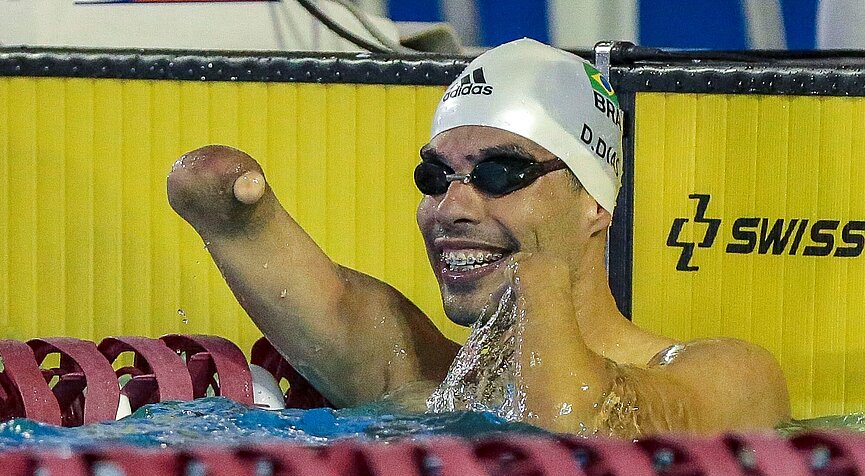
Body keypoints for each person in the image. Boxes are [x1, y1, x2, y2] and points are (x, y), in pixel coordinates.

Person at [166, 39, 790, 437]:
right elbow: (320, 296)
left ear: (594, 204)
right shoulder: (425, 383)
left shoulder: (730, 379)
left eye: (502, 173)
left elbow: (573, 426)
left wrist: (538, 264)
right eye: (434, 177)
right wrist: (231, 205)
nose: (450, 206)